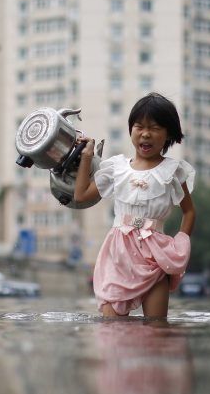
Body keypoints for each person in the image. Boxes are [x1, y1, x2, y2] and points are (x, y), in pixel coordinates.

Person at [74, 92, 196, 318]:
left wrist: (180, 245)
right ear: (131, 129)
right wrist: (86, 158)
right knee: (113, 330)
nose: (146, 134)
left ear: (168, 133)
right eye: (139, 126)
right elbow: (81, 195)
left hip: (155, 258)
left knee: (157, 328)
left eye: (155, 128)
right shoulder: (116, 168)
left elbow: (189, 212)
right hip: (117, 256)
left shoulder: (173, 171)